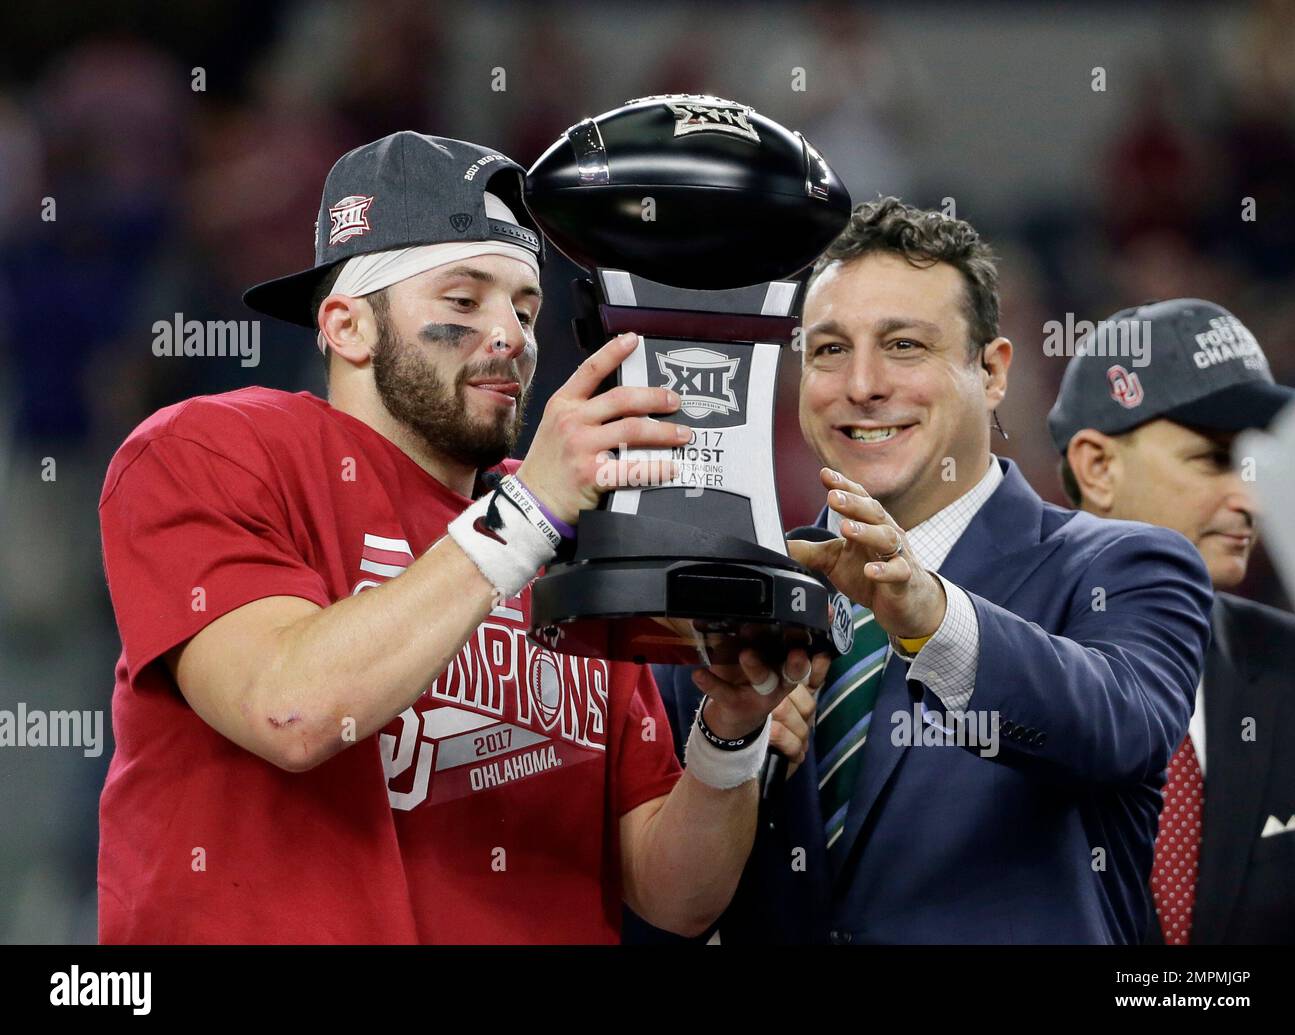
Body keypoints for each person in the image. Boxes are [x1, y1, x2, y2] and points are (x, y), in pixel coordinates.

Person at [96, 131, 816, 944]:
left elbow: (674, 894)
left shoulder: (578, 527)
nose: (510, 335)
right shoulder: (212, 449)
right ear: (347, 326)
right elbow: (292, 711)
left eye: (525, 305)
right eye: (463, 300)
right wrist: (528, 515)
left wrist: (732, 725)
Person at [647, 197, 1214, 944]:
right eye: (828, 350)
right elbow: (655, 906)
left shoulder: (1124, 564)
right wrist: (732, 750)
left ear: (993, 369)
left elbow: (1119, 729)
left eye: (905, 345)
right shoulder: (734, 600)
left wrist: (930, 614)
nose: (862, 384)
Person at [1050, 298, 1295, 944]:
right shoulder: (984, 678)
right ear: (1098, 468)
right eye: (1213, 460)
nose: (1248, 496)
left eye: (1251, 460)